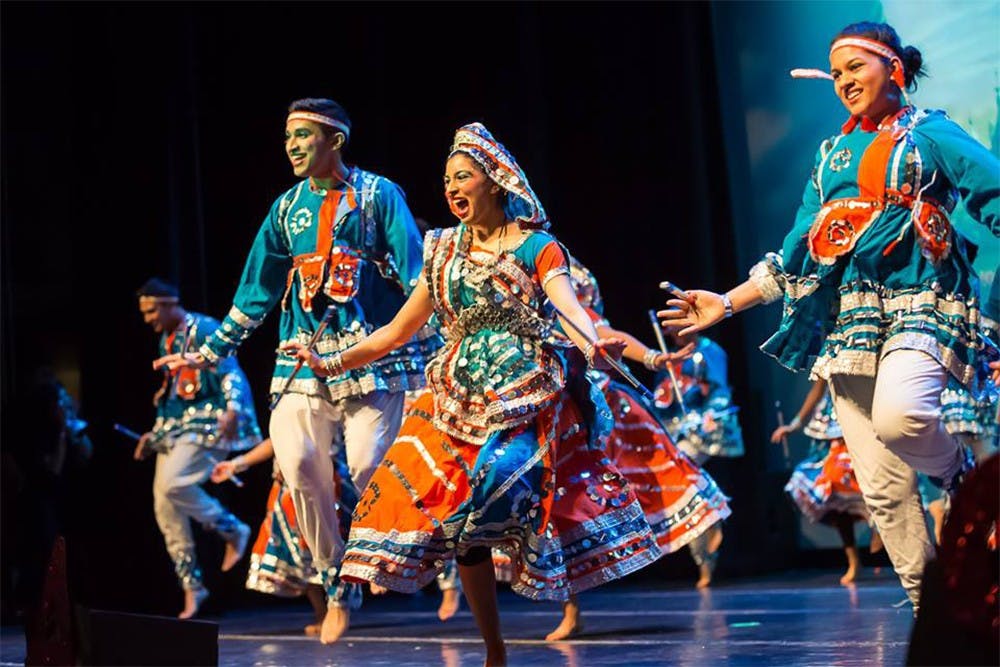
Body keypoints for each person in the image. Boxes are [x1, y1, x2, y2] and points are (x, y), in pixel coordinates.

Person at [284, 123, 661, 666]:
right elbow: (395, 332)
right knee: (462, 528)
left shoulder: (538, 246)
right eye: (446, 180)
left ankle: (548, 602)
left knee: (496, 497)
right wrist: (331, 360)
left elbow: (570, 307)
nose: (452, 187)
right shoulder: (440, 251)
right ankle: (493, 649)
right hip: (454, 398)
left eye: (463, 176)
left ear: (495, 181)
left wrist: (593, 337)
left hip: (522, 395)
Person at [660, 22, 1000, 611]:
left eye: (855, 68)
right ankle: (936, 613)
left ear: (893, 68)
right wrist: (727, 301)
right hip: (854, 322)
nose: (843, 81)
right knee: (883, 491)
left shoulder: (931, 134)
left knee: (903, 418)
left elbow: (993, 193)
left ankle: (962, 474)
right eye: (835, 73)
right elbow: (798, 251)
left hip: (921, 300)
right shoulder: (829, 155)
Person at [154, 98, 440, 643]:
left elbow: (415, 274)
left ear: (335, 139)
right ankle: (337, 581)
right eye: (287, 137)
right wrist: (208, 352)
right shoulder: (286, 210)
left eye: (303, 135)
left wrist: (447, 336)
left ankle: (379, 552)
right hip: (300, 356)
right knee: (299, 462)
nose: (291, 146)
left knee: (367, 464)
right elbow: (255, 291)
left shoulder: (379, 196)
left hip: (369, 355)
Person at [544, 257, 731, 641]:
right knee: (557, 509)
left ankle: (707, 517)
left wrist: (650, 356)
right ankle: (571, 609)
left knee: (657, 465)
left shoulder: (565, 284)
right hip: (546, 405)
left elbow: (603, 330)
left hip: (593, 404)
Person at [136, 278, 261, 618]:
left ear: (169, 302)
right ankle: (193, 585)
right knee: (164, 504)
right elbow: (172, 395)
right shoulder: (166, 340)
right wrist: (154, 436)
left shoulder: (205, 328)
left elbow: (229, 369)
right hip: (179, 427)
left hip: (211, 421)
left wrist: (234, 409)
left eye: (151, 310)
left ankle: (232, 528)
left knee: (172, 484)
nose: (148, 319)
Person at [210, 435, 360, 636]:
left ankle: (340, 604)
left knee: (327, 549)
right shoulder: (285, 407)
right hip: (287, 490)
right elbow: (275, 440)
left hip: (325, 484)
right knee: (300, 556)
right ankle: (322, 613)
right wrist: (236, 464)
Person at [652, 327, 744, 588]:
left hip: (702, 429)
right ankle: (708, 526)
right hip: (675, 430)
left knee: (685, 470)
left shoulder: (710, 352)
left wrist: (710, 413)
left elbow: (719, 391)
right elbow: (662, 398)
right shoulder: (671, 358)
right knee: (685, 489)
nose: (673, 335)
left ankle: (713, 510)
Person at [771, 379, 877, 584]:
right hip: (829, 427)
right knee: (833, 497)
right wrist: (793, 426)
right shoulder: (829, 351)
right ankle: (853, 561)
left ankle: (878, 525)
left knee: (862, 481)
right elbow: (817, 390)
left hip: (858, 417)